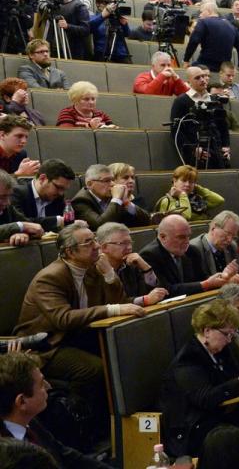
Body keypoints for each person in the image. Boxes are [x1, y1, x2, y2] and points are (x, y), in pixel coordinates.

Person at [12, 222, 140, 445]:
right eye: (88, 242)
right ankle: (81, 428)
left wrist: (110, 275)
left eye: (94, 239)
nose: (96, 246)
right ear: (70, 252)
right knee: (94, 369)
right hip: (45, 346)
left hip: (76, 338)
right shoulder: (49, 277)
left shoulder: (92, 270)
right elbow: (63, 318)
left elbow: (119, 301)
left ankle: (113, 429)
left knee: (122, 355)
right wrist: (113, 309)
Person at [160, 299, 239, 457]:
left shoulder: (221, 349)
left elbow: (234, 375)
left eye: (232, 334)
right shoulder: (188, 360)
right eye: (226, 334)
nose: (230, 340)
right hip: (194, 428)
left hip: (219, 415)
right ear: (207, 330)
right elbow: (206, 398)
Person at [0, 351, 112, 468]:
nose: (48, 386)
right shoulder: (8, 456)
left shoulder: (31, 423)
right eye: (41, 384)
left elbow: (65, 454)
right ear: (22, 401)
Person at [70, 163, 151, 229]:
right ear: (90, 184)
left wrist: (127, 203)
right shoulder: (80, 201)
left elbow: (147, 221)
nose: (112, 184)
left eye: (112, 180)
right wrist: (116, 199)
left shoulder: (112, 195)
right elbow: (101, 226)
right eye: (106, 181)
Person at [183, 1, 239, 70]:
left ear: (209, 11)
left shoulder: (203, 22)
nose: (200, 15)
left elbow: (194, 41)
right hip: (223, 69)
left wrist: (186, 60)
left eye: (201, 12)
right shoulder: (231, 26)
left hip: (204, 65)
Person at [154, 164, 224, 222]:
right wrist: (182, 195)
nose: (187, 184)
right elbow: (184, 218)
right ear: (175, 181)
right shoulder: (167, 201)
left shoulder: (196, 198)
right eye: (184, 181)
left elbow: (219, 200)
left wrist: (197, 188)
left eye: (191, 182)